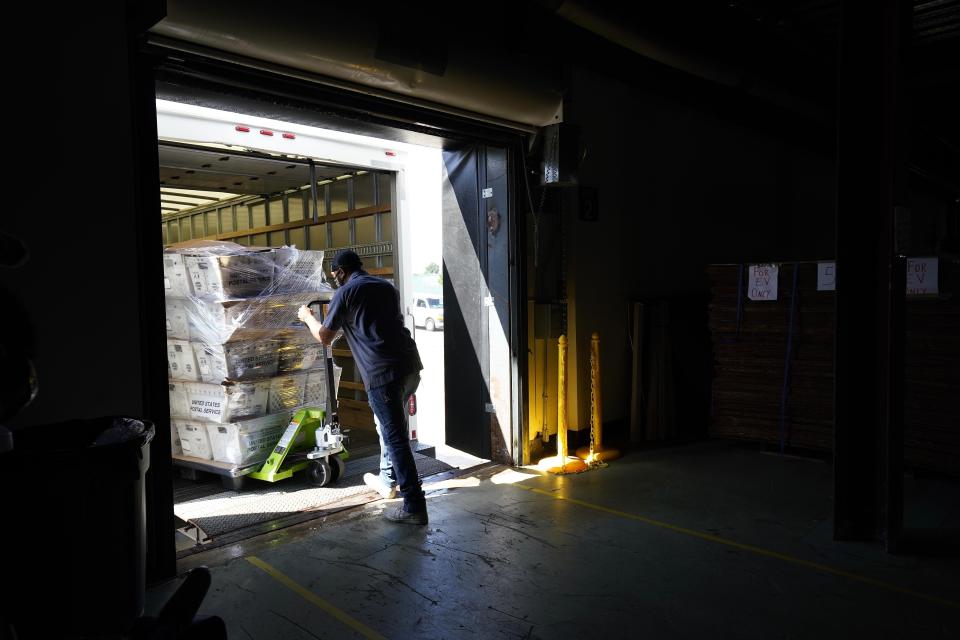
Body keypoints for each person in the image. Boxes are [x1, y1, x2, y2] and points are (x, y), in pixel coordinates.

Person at [297, 249, 427, 525]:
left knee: (395, 438)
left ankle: (414, 505)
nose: (335, 281)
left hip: (383, 374)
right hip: (410, 367)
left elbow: (325, 337)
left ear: (341, 272)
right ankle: (388, 480)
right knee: (389, 427)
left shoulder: (345, 293)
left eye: (335, 276)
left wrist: (307, 316)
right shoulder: (385, 286)